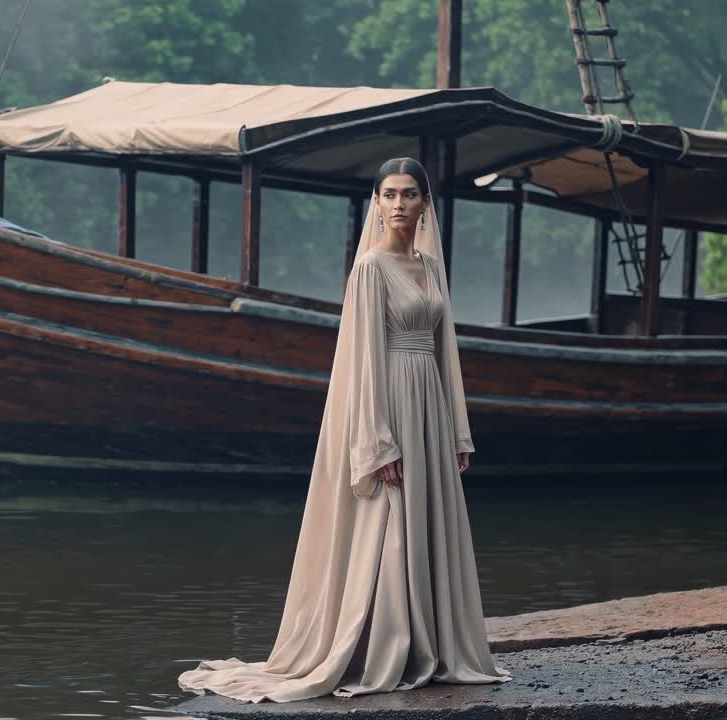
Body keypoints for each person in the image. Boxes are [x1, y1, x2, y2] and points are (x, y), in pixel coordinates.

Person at [177, 158, 513, 703]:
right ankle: (388, 645)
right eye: (389, 194)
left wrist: (457, 432)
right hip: (389, 402)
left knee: (426, 518)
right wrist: (377, 440)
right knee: (390, 519)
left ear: (426, 202)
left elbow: (444, 350)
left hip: (427, 399)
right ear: (376, 204)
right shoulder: (370, 270)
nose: (400, 204)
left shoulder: (429, 268)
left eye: (410, 194)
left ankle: (432, 645)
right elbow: (363, 361)